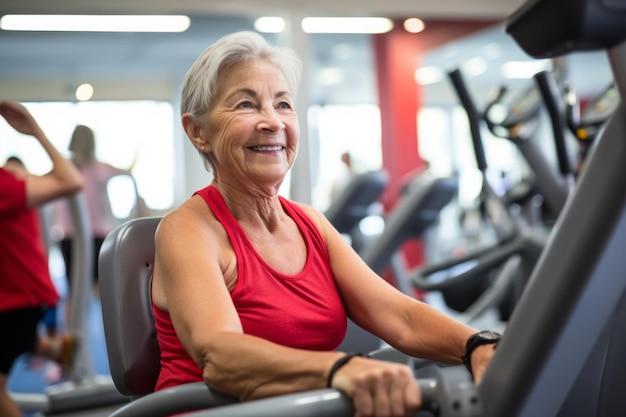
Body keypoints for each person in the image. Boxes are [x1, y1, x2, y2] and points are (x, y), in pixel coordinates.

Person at [151, 31, 499, 417]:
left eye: (283, 104)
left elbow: (399, 317)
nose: (272, 122)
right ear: (198, 132)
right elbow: (219, 354)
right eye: (247, 105)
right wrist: (340, 368)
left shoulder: (310, 224)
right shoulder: (187, 229)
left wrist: (477, 344)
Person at [0, 100, 83, 417]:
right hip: (23, 297)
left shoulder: (7, 185)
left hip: (20, 299)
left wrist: (34, 129)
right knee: (29, 342)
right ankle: (57, 350)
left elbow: (70, 181)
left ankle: (59, 350)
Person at [53, 124, 145, 290]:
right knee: (74, 288)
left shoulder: (100, 168)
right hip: (70, 234)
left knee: (97, 285)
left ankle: (99, 316)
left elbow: (127, 172)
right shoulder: (66, 168)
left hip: (97, 233)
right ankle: (75, 316)